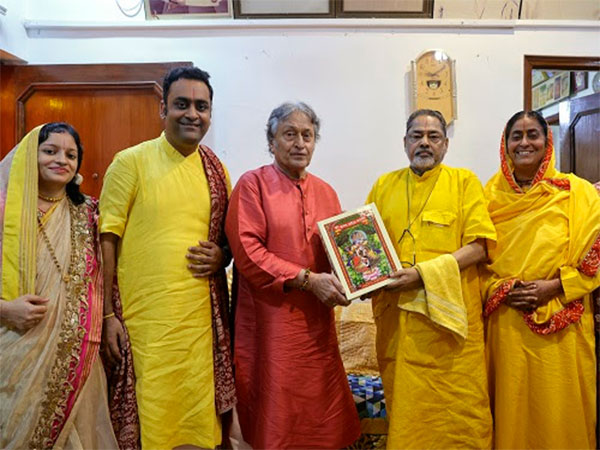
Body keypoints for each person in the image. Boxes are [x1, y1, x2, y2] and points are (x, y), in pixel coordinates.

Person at [99, 66, 235, 449]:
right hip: (146, 327)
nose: (193, 113)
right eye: (182, 104)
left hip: (198, 326)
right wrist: (107, 315)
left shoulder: (216, 169)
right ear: (163, 108)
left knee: (196, 425)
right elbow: (106, 239)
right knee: (151, 420)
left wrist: (220, 256)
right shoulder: (130, 162)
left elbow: (228, 241)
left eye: (202, 106)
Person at [225, 102, 361, 449]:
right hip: (270, 325)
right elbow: (247, 253)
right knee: (276, 414)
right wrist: (307, 280)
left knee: (320, 415)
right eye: (290, 134)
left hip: (316, 326)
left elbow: (339, 253)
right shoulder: (252, 185)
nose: (300, 143)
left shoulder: (327, 192)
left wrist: (359, 279)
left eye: (308, 135)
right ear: (271, 142)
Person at [366, 109, 496, 449]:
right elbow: (365, 246)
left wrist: (422, 275)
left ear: (445, 144)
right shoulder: (384, 185)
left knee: (459, 422)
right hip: (399, 329)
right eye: (416, 135)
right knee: (408, 423)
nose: (424, 142)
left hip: (450, 333)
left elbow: (480, 247)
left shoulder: (464, 182)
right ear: (405, 142)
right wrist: (361, 281)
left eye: (433, 136)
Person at [481, 110, 600, 449]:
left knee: (561, 414)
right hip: (506, 327)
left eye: (533, 134)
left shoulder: (578, 193)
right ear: (505, 145)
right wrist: (501, 289)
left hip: (564, 326)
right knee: (510, 411)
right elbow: (475, 260)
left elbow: (596, 255)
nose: (524, 142)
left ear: (548, 143)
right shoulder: (486, 197)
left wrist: (554, 287)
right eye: (515, 135)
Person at [0, 123, 118, 448]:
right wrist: (6, 309)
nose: (61, 160)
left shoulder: (90, 214)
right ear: (29, 156)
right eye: (50, 151)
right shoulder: (5, 211)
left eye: (71, 154)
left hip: (77, 354)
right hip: (15, 347)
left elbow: (107, 276)